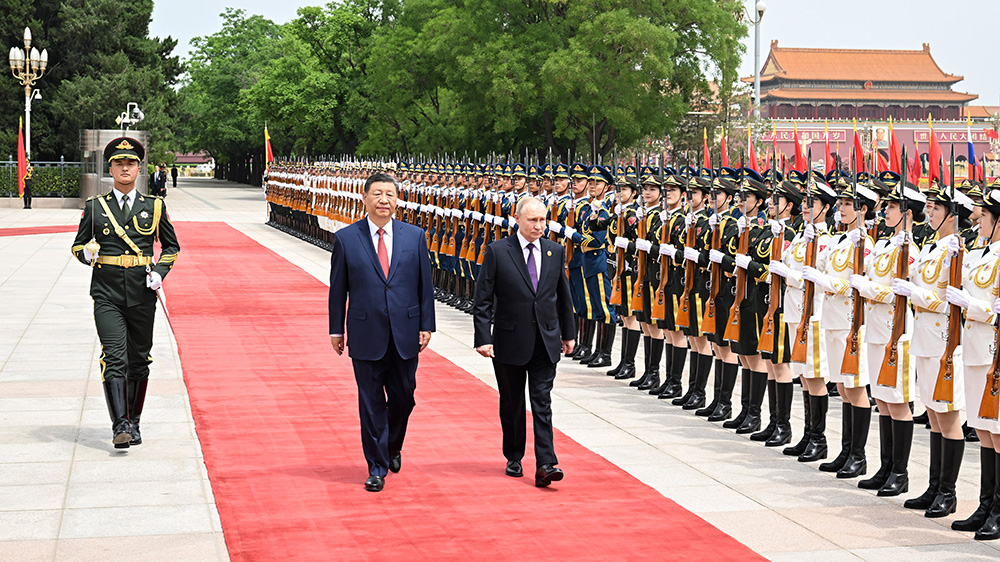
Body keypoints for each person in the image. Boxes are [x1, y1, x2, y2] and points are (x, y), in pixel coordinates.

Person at [328, 172, 436, 493]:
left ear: (396, 199)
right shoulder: (347, 238)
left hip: (405, 331)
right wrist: (336, 329)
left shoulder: (414, 236)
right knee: (371, 402)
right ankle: (376, 466)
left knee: (405, 398)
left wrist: (426, 324)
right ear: (365, 198)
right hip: (365, 332)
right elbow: (338, 290)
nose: (383, 200)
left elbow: (424, 286)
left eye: (389, 194)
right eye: (377, 194)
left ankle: (392, 445)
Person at [71, 137, 180, 449]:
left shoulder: (155, 207)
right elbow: (78, 245)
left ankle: (134, 421)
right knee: (114, 356)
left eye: (130, 163)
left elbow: (171, 247)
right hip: (106, 292)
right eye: (119, 163)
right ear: (110, 169)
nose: (125, 168)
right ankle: (119, 424)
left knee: (139, 359)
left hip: (142, 293)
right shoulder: (95, 208)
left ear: (138, 168)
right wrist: (87, 254)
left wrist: (159, 272)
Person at [473, 196, 576, 488]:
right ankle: (514, 455)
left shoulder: (555, 251)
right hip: (509, 340)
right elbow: (482, 299)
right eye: (532, 220)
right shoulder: (498, 251)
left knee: (542, 402)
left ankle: (546, 462)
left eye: (543, 220)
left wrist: (568, 334)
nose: (539, 226)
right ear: (516, 219)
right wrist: (483, 337)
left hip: (545, 340)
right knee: (513, 402)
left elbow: (562, 296)